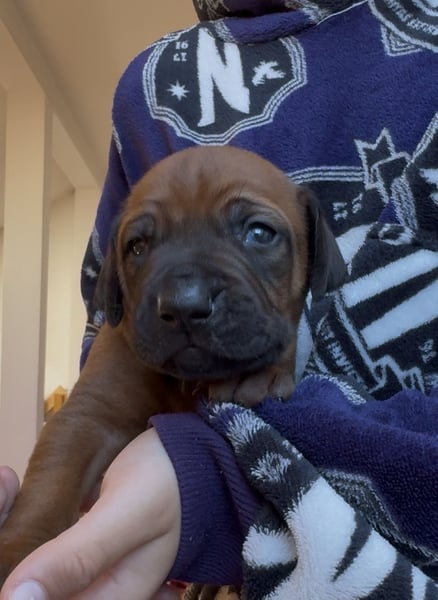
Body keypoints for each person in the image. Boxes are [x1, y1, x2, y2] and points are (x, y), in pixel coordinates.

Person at [1, 0, 438, 598]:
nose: (183, 294)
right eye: (141, 244)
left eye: (257, 233)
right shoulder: (148, 84)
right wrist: (22, 555)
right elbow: (88, 428)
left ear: (317, 256)